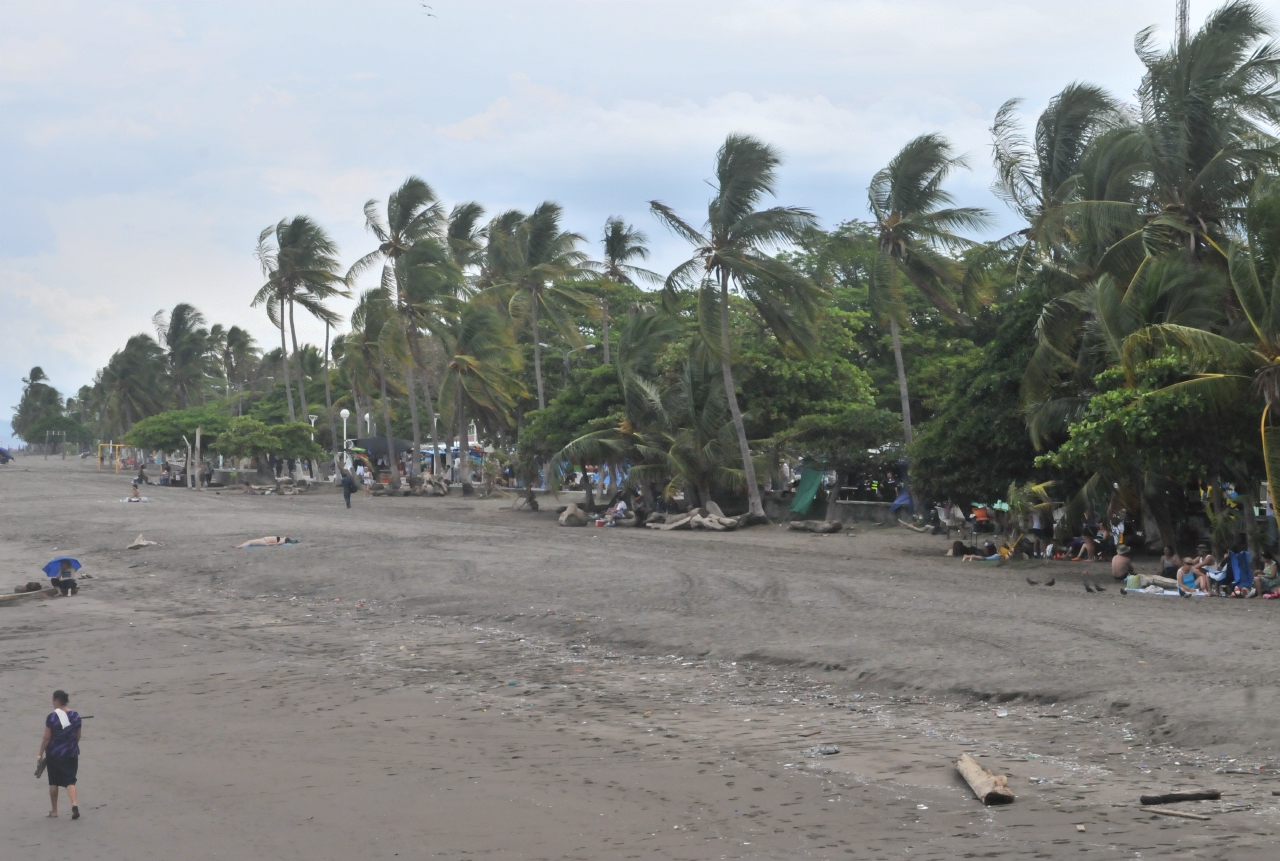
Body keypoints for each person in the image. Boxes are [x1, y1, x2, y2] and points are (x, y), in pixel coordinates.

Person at [37, 689, 82, 819]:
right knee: (70, 780)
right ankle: (74, 803)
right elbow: (78, 736)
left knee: (54, 782)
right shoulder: (75, 715)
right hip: (71, 753)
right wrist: (71, 746)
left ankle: (55, 811)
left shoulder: (51, 717)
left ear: (57, 701)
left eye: (53, 700)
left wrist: (40, 754)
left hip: (54, 754)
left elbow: (46, 738)